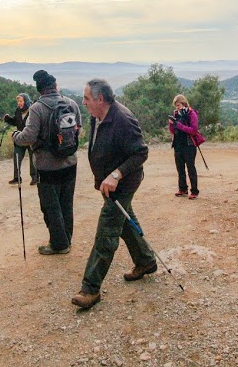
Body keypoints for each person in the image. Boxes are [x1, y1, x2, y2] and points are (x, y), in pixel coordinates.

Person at [72, 78, 156, 310]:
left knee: (107, 231)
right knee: (125, 221)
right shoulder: (97, 113)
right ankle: (146, 261)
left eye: (87, 98)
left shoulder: (123, 120)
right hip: (107, 183)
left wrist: (116, 175)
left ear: (100, 99)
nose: (83, 102)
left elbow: (140, 153)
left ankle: (90, 289)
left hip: (124, 183)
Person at [13, 70, 80, 255]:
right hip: (70, 162)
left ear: (39, 90)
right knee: (66, 203)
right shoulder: (71, 103)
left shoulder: (37, 108)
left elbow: (28, 137)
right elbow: (77, 130)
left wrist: (15, 136)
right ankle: (66, 238)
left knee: (51, 206)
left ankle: (59, 244)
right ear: (55, 86)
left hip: (47, 165)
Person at [168, 94, 200, 199]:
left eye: (178, 105)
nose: (176, 108)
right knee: (180, 168)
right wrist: (171, 124)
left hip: (189, 145)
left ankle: (194, 191)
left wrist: (179, 125)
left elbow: (194, 130)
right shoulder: (176, 114)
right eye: (176, 106)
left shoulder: (192, 114)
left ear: (183, 103)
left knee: (191, 168)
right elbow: (173, 131)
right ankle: (183, 189)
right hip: (178, 145)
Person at [4, 92, 36, 185]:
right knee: (17, 157)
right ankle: (16, 178)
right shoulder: (18, 110)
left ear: (26, 101)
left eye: (21, 101)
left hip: (31, 138)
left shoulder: (33, 110)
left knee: (32, 159)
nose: (19, 103)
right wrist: (8, 119)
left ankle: (34, 178)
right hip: (20, 138)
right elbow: (16, 122)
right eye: (18, 101)